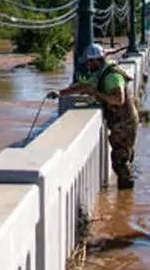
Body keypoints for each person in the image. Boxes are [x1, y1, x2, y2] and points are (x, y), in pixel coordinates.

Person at [59, 43, 139, 189]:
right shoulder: (100, 73)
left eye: (90, 61)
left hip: (124, 123)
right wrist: (61, 93)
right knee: (122, 158)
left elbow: (118, 99)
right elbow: (83, 86)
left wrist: (96, 94)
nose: (88, 65)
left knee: (120, 161)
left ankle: (126, 197)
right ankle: (126, 196)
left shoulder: (112, 76)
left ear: (98, 60)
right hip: (119, 122)